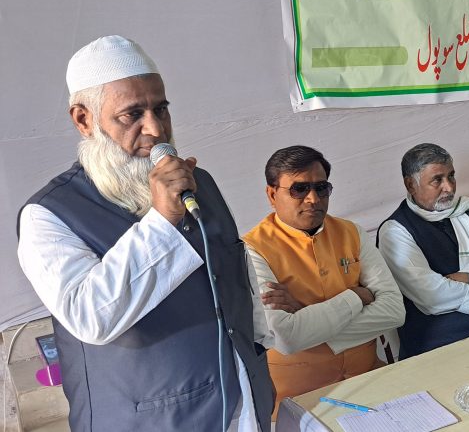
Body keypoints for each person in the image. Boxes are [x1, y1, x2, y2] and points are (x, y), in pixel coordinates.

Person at [16, 36, 273, 431]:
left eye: (161, 109)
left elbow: (234, 275)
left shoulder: (198, 181)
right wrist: (163, 219)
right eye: (131, 114)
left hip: (242, 402)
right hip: (149, 420)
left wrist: (259, 349)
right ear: (84, 120)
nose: (155, 129)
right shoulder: (48, 215)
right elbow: (89, 317)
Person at [243, 145, 404, 411]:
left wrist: (305, 316)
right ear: (272, 194)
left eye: (321, 188)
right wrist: (357, 297)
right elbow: (286, 338)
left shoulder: (351, 232)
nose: (313, 199)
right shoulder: (252, 249)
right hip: (298, 397)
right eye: (299, 189)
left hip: (369, 378)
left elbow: (395, 312)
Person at [377, 144, 469, 359]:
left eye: (451, 176)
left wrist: (466, 277)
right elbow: (432, 296)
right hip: (438, 349)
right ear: (410, 185)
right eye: (437, 180)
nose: (449, 187)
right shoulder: (395, 231)